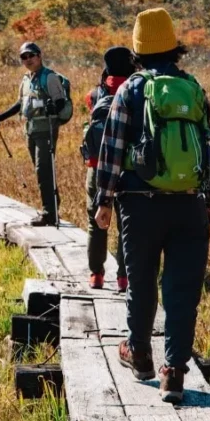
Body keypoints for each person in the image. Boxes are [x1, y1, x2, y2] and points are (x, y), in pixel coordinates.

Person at [94, 8, 210, 404]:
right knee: (183, 291)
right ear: (174, 47)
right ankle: (174, 372)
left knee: (142, 282)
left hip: (139, 205)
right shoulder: (192, 88)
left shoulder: (130, 90)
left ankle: (140, 356)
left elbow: (112, 151)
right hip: (189, 204)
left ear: (137, 50)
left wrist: (104, 200)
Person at [0, 42, 69, 226]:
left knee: (44, 170)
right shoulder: (26, 79)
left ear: (39, 56)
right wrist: (0, 116)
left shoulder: (49, 77)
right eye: (23, 57)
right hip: (31, 130)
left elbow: (61, 103)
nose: (28, 60)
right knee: (42, 171)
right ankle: (52, 209)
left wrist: (52, 108)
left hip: (46, 129)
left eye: (31, 55)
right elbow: (20, 104)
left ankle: (49, 213)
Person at [82, 47, 134, 292]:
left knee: (96, 221)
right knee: (126, 223)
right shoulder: (136, 92)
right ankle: (124, 278)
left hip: (96, 167)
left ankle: (96, 275)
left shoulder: (94, 95)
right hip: (128, 167)